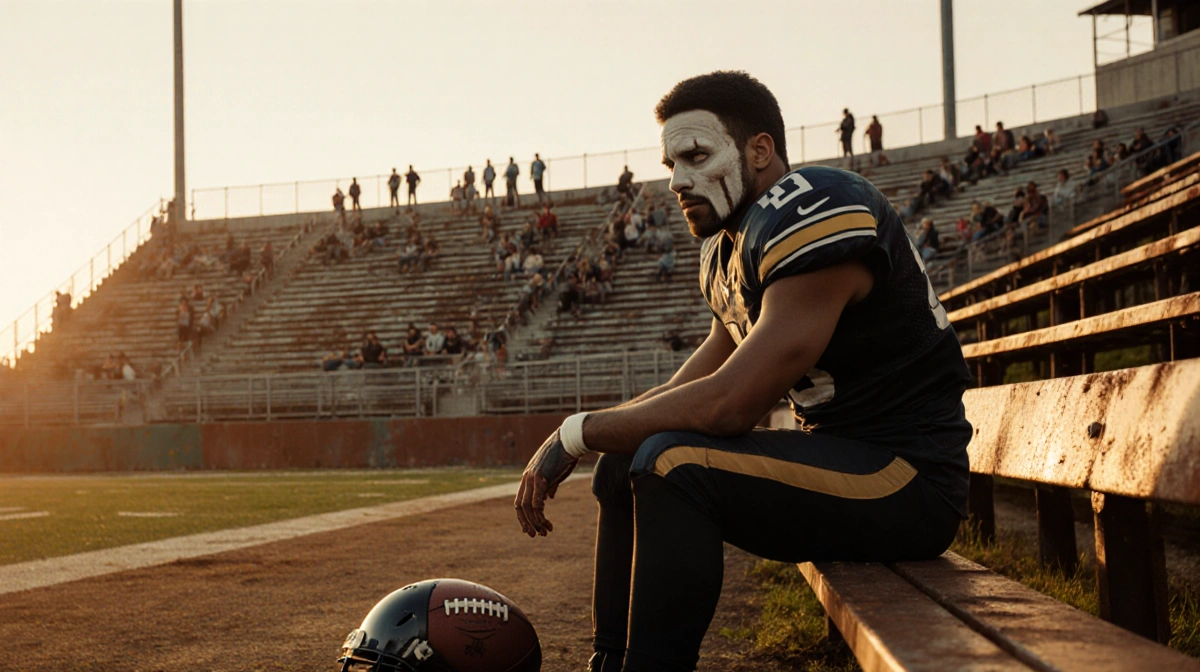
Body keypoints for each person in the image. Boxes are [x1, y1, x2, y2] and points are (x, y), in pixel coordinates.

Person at [513, 71, 970, 672]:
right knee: (627, 456)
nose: (677, 180)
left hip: (907, 476)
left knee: (673, 465)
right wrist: (600, 433)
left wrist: (577, 431)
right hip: (843, 456)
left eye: (697, 156)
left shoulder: (815, 204)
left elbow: (731, 404)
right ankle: (612, 660)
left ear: (759, 150)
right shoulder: (728, 245)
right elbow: (696, 381)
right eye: (671, 162)